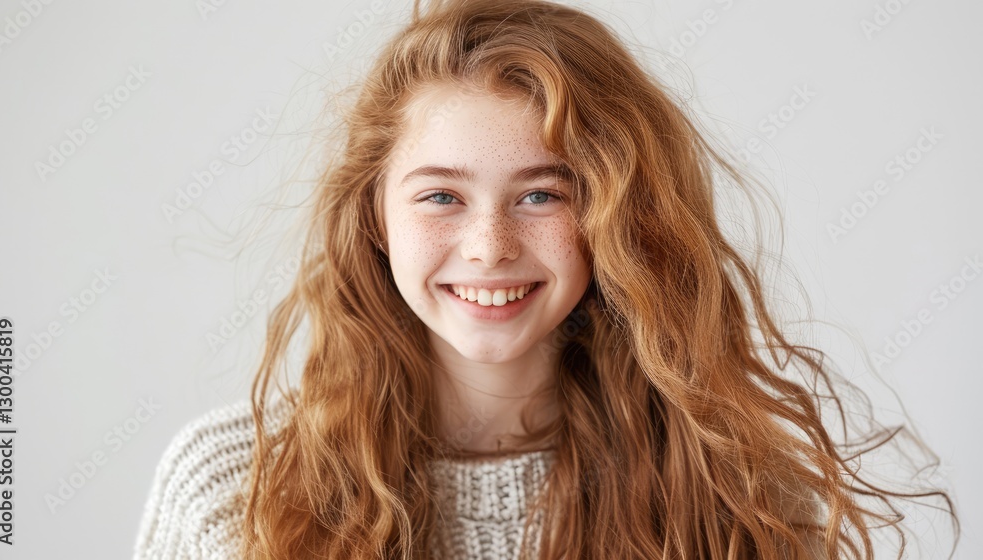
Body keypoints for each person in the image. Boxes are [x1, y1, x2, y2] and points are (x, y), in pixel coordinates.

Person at [133, 0, 958, 558]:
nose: (489, 246)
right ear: (374, 217)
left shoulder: (732, 492)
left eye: (540, 194)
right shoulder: (233, 490)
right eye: (441, 196)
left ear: (615, 218)